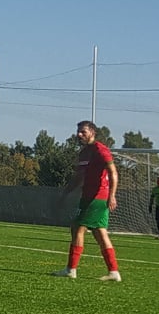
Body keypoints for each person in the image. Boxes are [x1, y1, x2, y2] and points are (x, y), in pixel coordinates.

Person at [52, 120, 122, 281]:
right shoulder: (84, 153)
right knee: (100, 233)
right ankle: (114, 272)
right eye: (78, 132)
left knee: (78, 228)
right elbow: (79, 177)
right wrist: (66, 193)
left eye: (83, 132)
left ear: (92, 132)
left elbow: (113, 173)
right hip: (88, 197)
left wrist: (112, 195)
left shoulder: (100, 150)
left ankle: (71, 269)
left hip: (97, 197)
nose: (79, 135)